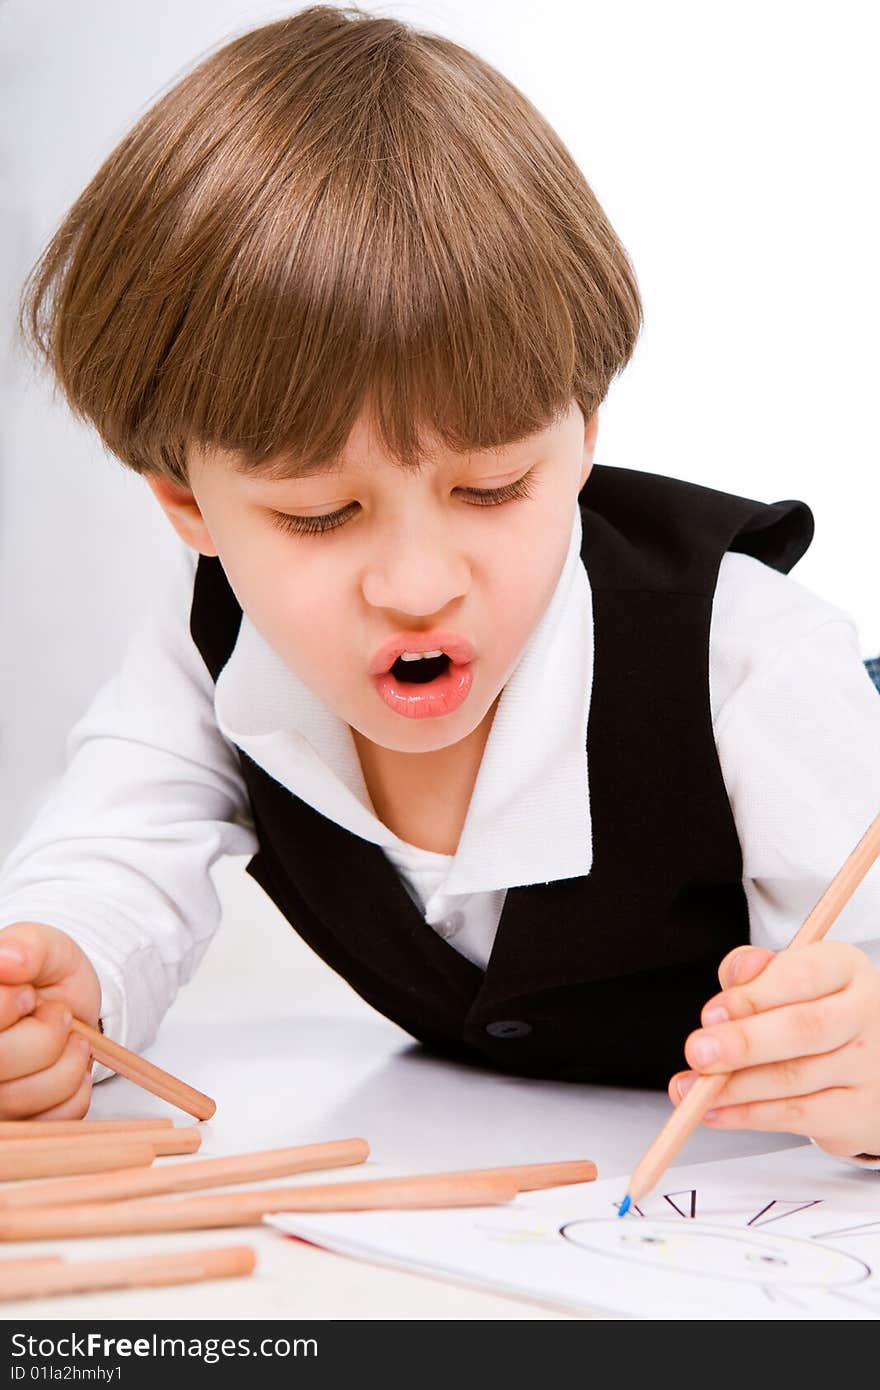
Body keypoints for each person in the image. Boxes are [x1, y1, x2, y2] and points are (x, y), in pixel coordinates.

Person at [1, 5, 879, 1165]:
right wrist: (65, 972)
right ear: (186, 505)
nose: (417, 586)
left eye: (494, 487)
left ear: (582, 434)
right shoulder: (214, 639)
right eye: (319, 512)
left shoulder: (748, 658)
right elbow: (115, 850)